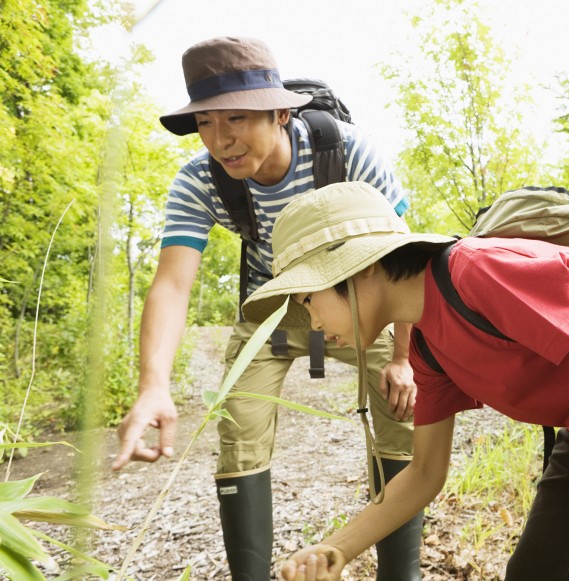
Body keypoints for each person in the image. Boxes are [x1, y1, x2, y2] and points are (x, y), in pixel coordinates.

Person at [240, 181, 569, 581]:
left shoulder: (476, 272)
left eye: (310, 300)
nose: (311, 324)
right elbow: (423, 474)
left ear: (359, 269)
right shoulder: (428, 348)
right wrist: (335, 550)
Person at [111, 37, 424, 581]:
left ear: (281, 112)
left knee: (403, 418)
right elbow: (172, 284)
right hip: (273, 308)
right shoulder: (198, 181)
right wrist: (153, 383)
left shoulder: (347, 151)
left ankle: (403, 575)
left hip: (360, 303)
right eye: (205, 122)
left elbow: (403, 261)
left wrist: (404, 355)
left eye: (236, 118)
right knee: (239, 430)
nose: (220, 139)